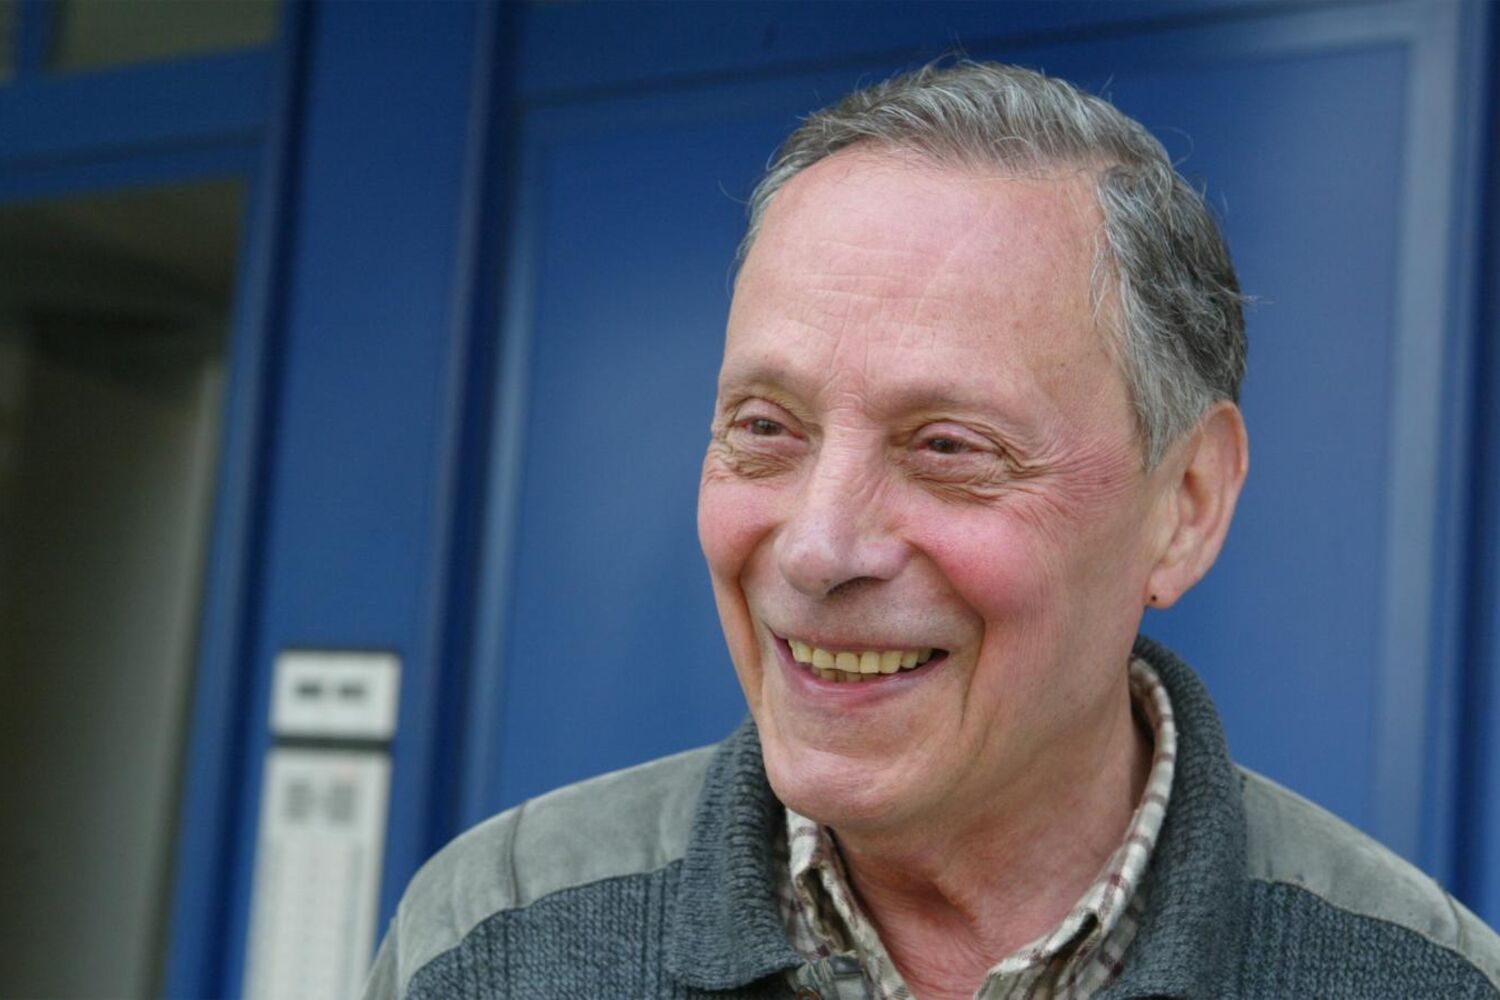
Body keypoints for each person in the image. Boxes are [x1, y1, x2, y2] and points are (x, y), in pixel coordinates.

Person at [363, 61, 1500, 999]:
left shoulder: (1419, 980)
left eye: (949, 447)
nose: (818, 548)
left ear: (1186, 504)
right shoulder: (493, 940)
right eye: (765, 428)